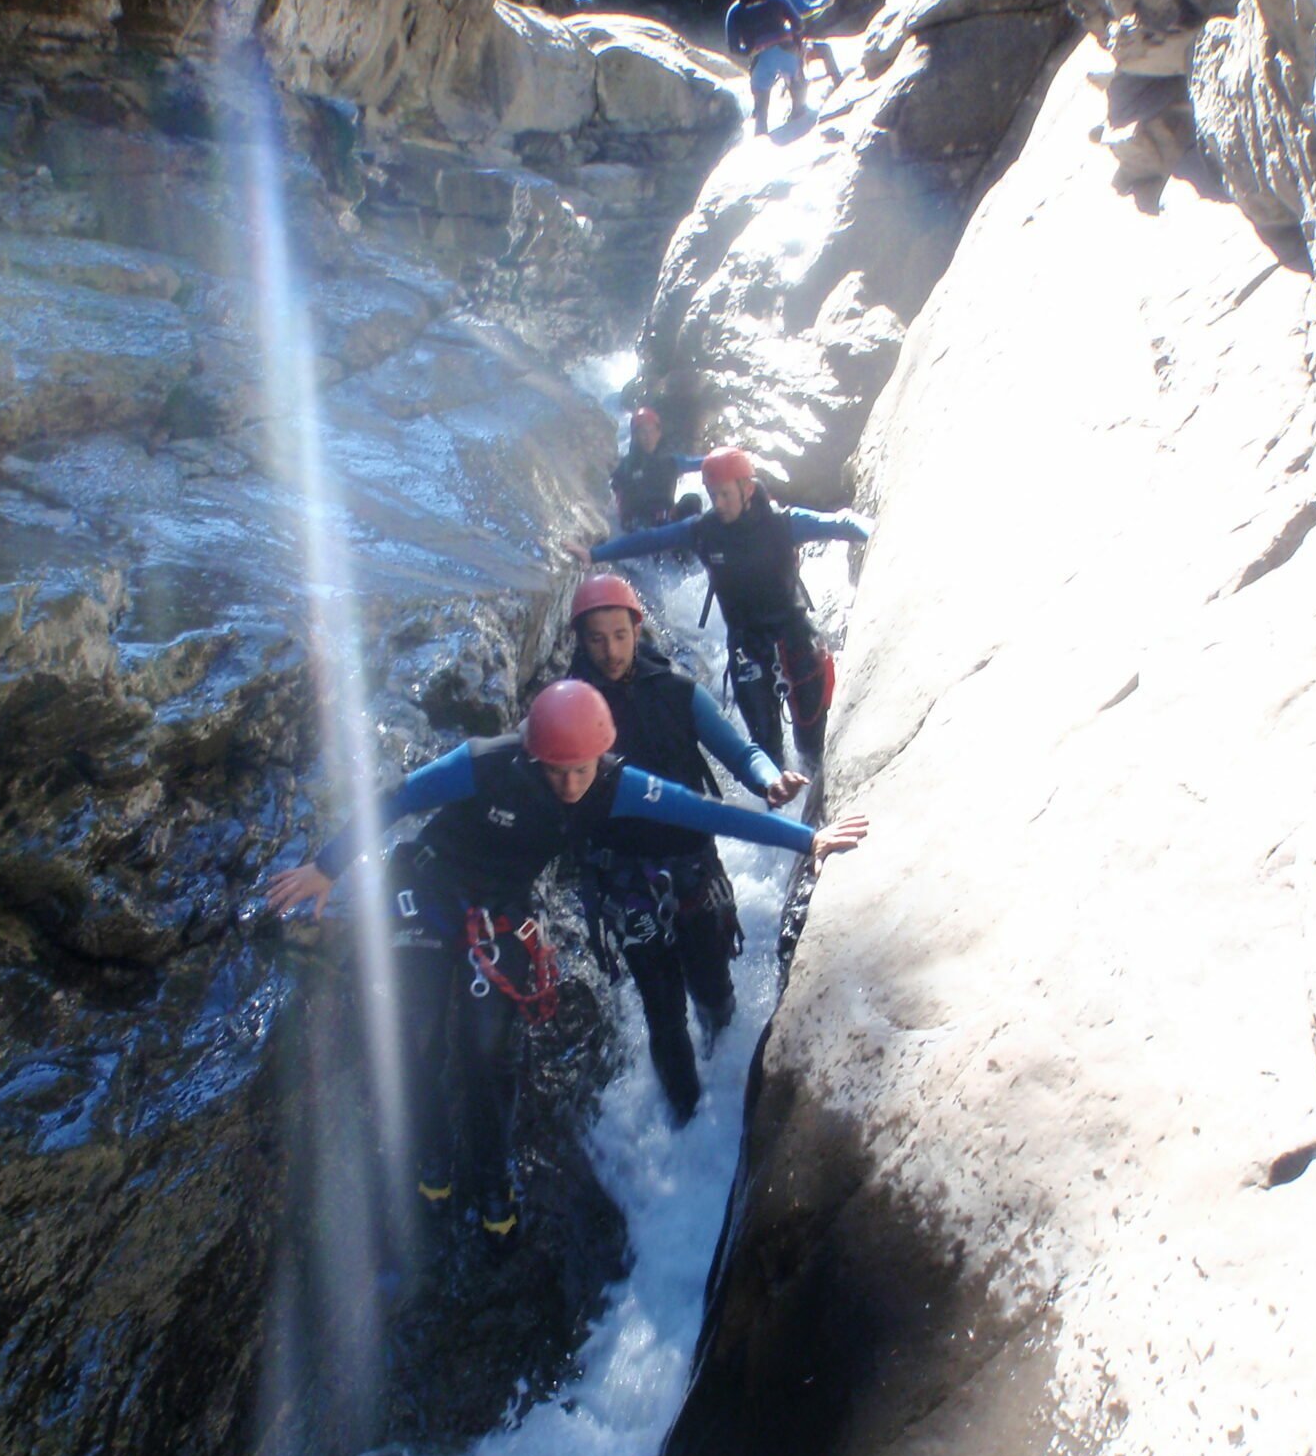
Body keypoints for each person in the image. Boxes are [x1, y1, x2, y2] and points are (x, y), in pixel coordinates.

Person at [267, 681, 867, 1240]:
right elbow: (398, 799)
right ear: (534, 757)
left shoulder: (614, 783)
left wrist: (806, 838)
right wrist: (326, 866)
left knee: (488, 1046)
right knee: (414, 1028)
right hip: (427, 889)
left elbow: (708, 814)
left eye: (583, 769)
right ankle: (432, 1155)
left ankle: (495, 1177)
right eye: (559, 771)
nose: (573, 783)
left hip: (499, 910)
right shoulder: (486, 762)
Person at [566, 574, 808, 1122]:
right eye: (597, 639)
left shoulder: (675, 689)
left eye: (620, 636)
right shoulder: (566, 706)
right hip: (622, 881)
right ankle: (687, 1118)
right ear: (581, 640)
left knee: (712, 984)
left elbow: (738, 749)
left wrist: (769, 779)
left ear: (637, 630)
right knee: (662, 1011)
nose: (610, 650)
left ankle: (722, 1066)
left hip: (691, 865)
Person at [569, 445, 870, 770]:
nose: (719, 504)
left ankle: (817, 787)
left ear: (748, 489)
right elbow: (652, 539)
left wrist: (871, 529)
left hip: (793, 631)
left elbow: (838, 524)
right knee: (765, 744)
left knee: (812, 736)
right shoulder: (703, 532)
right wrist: (595, 555)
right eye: (713, 495)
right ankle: (780, 798)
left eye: (725, 494)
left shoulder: (783, 524)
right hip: (746, 642)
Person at [724, 0, 804, 137]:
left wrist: (750, 51)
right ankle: (799, 109)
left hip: (760, 59)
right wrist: (788, 36)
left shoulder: (734, 11)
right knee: (796, 79)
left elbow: (734, 48)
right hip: (786, 52)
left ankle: (761, 129)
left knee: (761, 111)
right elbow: (798, 25)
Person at [610, 407, 703, 534]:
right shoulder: (625, 466)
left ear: (658, 433)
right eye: (643, 432)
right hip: (638, 524)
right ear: (635, 436)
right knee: (644, 524)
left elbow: (702, 463)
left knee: (692, 501)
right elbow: (613, 491)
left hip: (666, 518)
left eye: (652, 431)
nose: (648, 437)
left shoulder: (670, 462)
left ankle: (687, 548)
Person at [770, 0, 842, 85]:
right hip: (789, 47)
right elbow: (808, 8)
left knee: (820, 51)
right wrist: (822, 3)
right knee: (824, 50)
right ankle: (838, 82)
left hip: (784, 44)